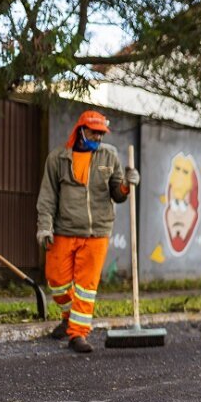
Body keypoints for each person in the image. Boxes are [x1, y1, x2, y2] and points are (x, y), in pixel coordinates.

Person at [36, 110, 140, 353]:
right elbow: (47, 198)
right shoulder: (57, 159)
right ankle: (69, 318)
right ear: (80, 130)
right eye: (94, 132)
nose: (98, 137)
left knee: (85, 286)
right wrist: (44, 227)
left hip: (97, 233)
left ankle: (77, 334)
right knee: (56, 280)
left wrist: (126, 184)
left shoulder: (109, 155)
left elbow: (117, 193)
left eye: (102, 133)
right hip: (64, 230)